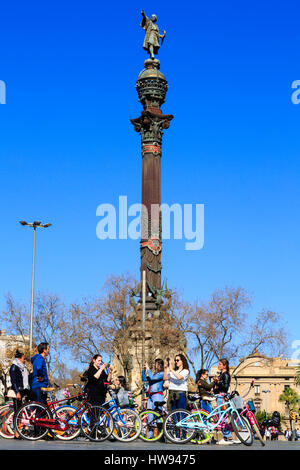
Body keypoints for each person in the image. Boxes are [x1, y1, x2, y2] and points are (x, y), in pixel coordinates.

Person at [214, 358, 238, 445]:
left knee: (222, 417)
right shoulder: (222, 374)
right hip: (219, 397)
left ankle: (228, 437)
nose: (218, 365)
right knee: (222, 416)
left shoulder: (226, 375)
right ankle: (227, 436)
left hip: (222, 397)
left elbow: (225, 387)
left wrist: (218, 382)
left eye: (220, 364)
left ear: (224, 366)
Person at [9, 350, 30, 438]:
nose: (25, 360)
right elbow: (13, 381)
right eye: (24, 358)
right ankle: (16, 433)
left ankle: (22, 429)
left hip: (22, 390)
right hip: (18, 391)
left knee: (21, 411)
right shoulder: (14, 367)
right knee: (17, 411)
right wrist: (17, 392)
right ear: (19, 358)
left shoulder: (22, 367)